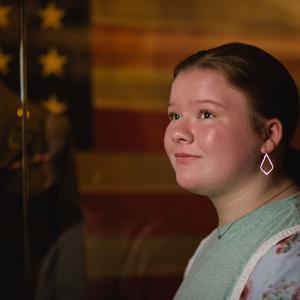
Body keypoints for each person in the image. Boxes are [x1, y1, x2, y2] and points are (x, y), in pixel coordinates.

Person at [164, 42, 300, 299]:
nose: (177, 132)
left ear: (268, 134)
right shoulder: (212, 243)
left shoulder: (291, 259)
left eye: (205, 114)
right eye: (174, 116)